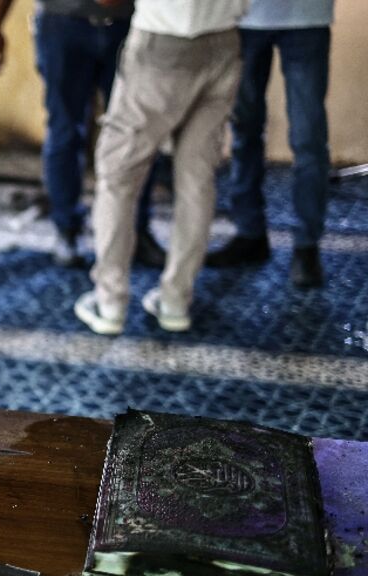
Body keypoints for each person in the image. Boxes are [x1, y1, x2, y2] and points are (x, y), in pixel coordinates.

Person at [74, 0, 248, 335]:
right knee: (197, 179)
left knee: (118, 176)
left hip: (162, 42)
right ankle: (176, 301)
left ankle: (110, 302)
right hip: (225, 41)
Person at [0, 0, 166, 269]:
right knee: (65, 131)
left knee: (139, 133)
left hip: (133, 25)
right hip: (62, 24)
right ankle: (67, 230)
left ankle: (136, 230)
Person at [206, 0, 334, 288]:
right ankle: (249, 232)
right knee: (244, 130)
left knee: (308, 139)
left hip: (307, 18)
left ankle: (307, 245)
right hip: (243, 17)